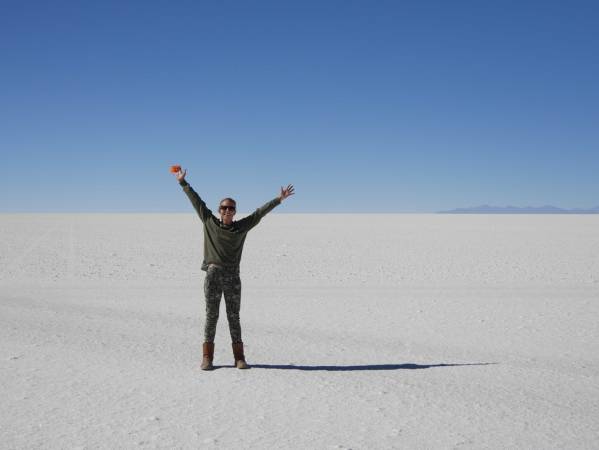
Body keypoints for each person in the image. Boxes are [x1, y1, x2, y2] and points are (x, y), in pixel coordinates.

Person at [174, 167, 294, 370]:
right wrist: (183, 182)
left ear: (235, 211)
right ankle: (207, 358)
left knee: (233, 316)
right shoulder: (209, 222)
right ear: (219, 210)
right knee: (211, 316)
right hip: (213, 274)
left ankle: (239, 358)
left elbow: (259, 213)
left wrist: (278, 199)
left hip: (232, 277)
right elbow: (196, 201)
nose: (227, 211)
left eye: (231, 208)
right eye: (224, 208)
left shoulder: (241, 227)